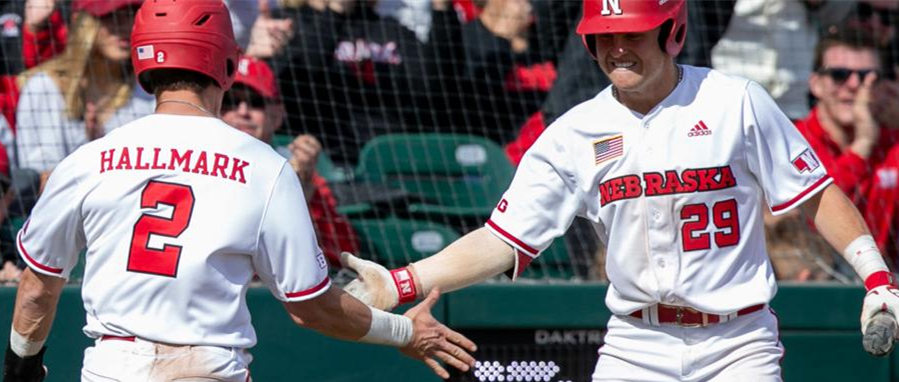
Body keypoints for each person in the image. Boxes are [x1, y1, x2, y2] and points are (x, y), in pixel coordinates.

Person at [341, 0, 899, 380]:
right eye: (604, 36)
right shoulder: (574, 131)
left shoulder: (736, 101)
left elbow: (816, 193)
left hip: (739, 342)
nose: (617, 49)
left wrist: (875, 278)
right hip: (636, 344)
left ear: (672, 32)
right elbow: (503, 239)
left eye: (632, 33)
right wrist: (401, 281)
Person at [1, 1, 475, 381]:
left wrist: (21, 366)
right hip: (209, 367)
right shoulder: (264, 166)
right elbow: (312, 309)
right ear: (226, 61)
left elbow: (38, 288)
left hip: (111, 367)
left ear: (143, 58)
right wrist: (404, 331)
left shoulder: (87, 159)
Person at [222, 54, 360, 267]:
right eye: (230, 102)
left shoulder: (295, 169)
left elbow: (344, 252)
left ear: (277, 115)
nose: (242, 112)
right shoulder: (195, 163)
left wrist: (303, 194)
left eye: (256, 103)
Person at [794, 27, 899, 267]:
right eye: (839, 75)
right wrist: (862, 146)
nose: (853, 85)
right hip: (816, 277)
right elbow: (808, 217)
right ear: (816, 84)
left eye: (868, 76)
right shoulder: (793, 141)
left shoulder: (892, 141)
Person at [15, 0, 153, 180]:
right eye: (111, 17)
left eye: (132, 15)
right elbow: (40, 181)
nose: (126, 27)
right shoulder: (43, 87)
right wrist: (92, 153)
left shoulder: (147, 89)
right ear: (83, 24)